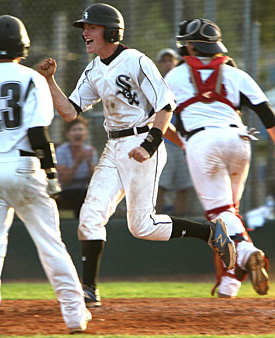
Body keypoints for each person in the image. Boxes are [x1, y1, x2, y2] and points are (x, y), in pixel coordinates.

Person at [38, 3, 236, 308]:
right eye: (85, 28)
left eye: (91, 27)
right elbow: (68, 112)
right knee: (90, 218)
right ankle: (89, 290)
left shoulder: (136, 61)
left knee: (142, 226)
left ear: (111, 31)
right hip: (113, 147)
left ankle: (209, 232)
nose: (86, 33)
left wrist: (150, 144)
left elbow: (165, 106)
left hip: (142, 142)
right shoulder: (93, 69)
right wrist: (50, 82)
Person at [0, 15, 91, 335]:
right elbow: (38, 131)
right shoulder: (31, 78)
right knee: (51, 245)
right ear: (22, 47)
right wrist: (51, 172)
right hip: (25, 166)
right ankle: (75, 317)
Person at [165, 18, 275, 298]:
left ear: (188, 46)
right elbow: (266, 112)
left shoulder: (174, 75)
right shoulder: (236, 74)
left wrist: (184, 142)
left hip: (202, 141)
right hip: (239, 139)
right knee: (229, 213)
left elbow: (157, 118)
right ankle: (230, 284)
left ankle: (247, 254)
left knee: (220, 216)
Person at [155, 48, 193, 216]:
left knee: (183, 187)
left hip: (186, 141)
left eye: (171, 60)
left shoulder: (186, 82)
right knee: (160, 185)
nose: (168, 64)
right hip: (165, 141)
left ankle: (180, 224)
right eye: (164, 61)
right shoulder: (156, 84)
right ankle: (153, 221)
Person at [56, 116, 98, 218]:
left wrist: (89, 164)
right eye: (74, 130)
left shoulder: (90, 151)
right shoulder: (61, 151)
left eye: (80, 129)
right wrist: (76, 163)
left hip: (84, 190)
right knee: (80, 196)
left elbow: (94, 181)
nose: (78, 133)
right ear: (67, 134)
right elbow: (65, 181)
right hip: (65, 191)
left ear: (86, 133)